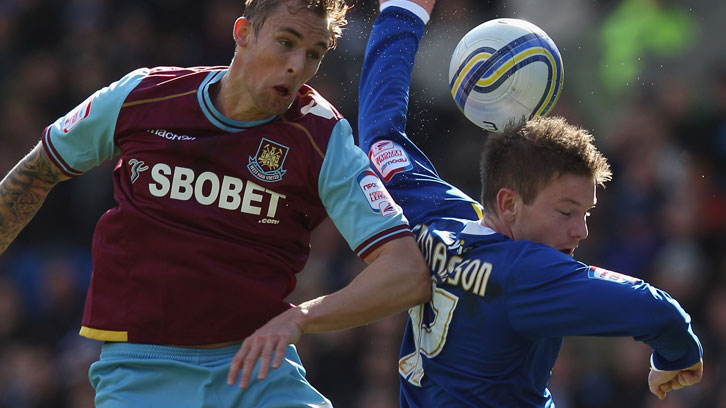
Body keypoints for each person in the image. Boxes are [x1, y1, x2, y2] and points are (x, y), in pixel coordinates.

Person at [0, 0, 431, 406]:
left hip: (260, 373)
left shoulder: (320, 135)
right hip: (141, 375)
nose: (297, 66)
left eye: (314, 53)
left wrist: (301, 317)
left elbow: (407, 272)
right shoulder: (144, 96)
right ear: (243, 32)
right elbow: (38, 172)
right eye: (286, 42)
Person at [357, 0, 704, 406]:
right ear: (508, 204)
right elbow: (660, 311)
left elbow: (380, 134)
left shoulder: (433, 215)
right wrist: (676, 356)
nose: (581, 230)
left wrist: (402, 12)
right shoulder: (527, 272)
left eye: (586, 213)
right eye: (566, 211)